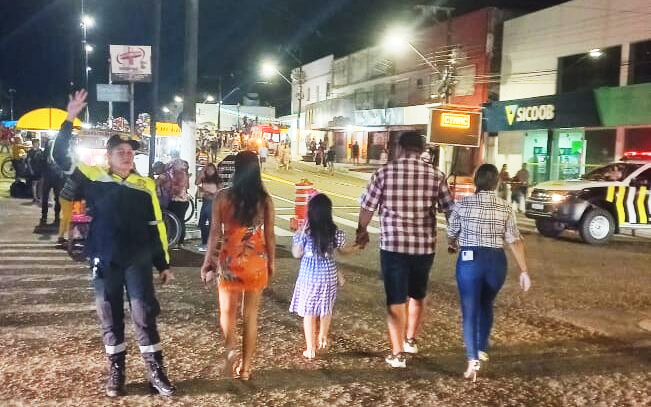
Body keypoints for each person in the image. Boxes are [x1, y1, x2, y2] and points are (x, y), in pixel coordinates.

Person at [53, 90, 176, 397]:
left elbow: (156, 227)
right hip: (104, 259)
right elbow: (59, 157)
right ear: (108, 156)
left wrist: (163, 264)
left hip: (138, 260)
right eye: (119, 150)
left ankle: (155, 371)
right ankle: (116, 371)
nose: (126, 154)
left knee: (144, 315)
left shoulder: (145, 185)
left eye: (130, 151)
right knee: (109, 315)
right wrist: (69, 118)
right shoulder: (92, 176)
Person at [356, 131, 454, 368]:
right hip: (424, 248)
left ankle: (398, 353)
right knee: (417, 294)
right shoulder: (436, 175)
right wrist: (453, 239)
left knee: (396, 299)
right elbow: (450, 210)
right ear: (421, 150)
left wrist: (362, 231)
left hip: (393, 246)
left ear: (399, 148)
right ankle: (410, 340)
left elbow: (368, 207)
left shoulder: (384, 173)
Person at [447, 164, 532, 382]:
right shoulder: (505, 207)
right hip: (496, 261)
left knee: (470, 309)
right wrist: (524, 270)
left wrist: (453, 243)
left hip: (470, 260)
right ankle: (482, 346)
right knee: (486, 303)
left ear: (476, 181)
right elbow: (515, 240)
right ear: (497, 183)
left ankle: (472, 358)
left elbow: (452, 232)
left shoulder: (463, 204)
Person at [200, 151, 275, 381]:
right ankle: (246, 368)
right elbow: (270, 236)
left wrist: (208, 261)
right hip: (256, 261)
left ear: (236, 170)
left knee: (227, 311)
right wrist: (272, 262)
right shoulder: (264, 200)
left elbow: (214, 233)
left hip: (229, 260)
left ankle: (230, 346)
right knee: (250, 315)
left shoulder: (222, 197)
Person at [290, 193, 353, 359]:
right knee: (326, 308)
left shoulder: (305, 233)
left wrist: (299, 232)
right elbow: (344, 250)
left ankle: (310, 348)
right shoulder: (335, 233)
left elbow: (296, 254)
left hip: (309, 277)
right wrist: (357, 246)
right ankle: (323, 336)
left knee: (309, 312)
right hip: (329, 276)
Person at [39, 138, 65, 227]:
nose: (52, 144)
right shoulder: (45, 153)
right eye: (50, 143)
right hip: (48, 177)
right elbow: (42, 163)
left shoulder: (59, 153)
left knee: (57, 198)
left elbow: (64, 164)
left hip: (57, 178)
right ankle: (44, 216)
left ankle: (57, 216)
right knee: (45, 197)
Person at [166, 151, 190, 245]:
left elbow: (173, 186)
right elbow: (187, 185)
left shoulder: (173, 167)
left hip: (175, 199)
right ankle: (180, 241)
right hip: (183, 199)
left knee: (173, 221)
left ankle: (175, 239)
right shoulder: (184, 170)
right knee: (180, 220)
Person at [195, 163, 220, 252]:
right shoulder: (204, 178)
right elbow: (196, 182)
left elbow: (220, 191)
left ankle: (209, 242)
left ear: (215, 170)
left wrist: (211, 194)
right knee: (202, 222)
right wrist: (202, 171)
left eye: (211, 169)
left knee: (210, 222)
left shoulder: (218, 179)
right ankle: (205, 241)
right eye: (208, 169)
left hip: (213, 202)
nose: (209, 171)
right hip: (205, 201)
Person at [56, 175, 83, 246]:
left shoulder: (74, 176)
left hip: (63, 197)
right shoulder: (80, 180)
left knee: (66, 217)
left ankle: (62, 236)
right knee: (69, 218)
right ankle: (69, 238)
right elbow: (78, 195)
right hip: (67, 199)